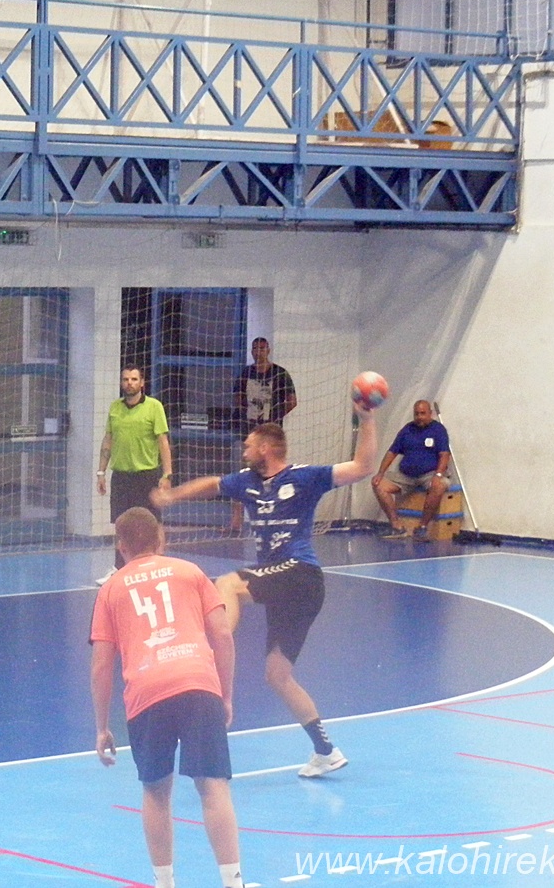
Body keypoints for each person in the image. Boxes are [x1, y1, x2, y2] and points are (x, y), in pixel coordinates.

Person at [151, 396, 378, 778]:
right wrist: (172, 496)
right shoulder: (247, 482)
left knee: (229, 583)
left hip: (301, 573)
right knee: (277, 675)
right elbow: (212, 485)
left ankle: (211, 650)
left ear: (267, 448)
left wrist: (367, 419)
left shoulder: (303, 478)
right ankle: (326, 750)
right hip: (284, 584)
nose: (243, 451)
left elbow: (362, 467)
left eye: (249, 445)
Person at [90, 507, 244, 888]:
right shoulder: (190, 572)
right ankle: (233, 881)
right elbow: (223, 635)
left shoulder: (110, 589)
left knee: (156, 792)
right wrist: (224, 695)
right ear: (161, 538)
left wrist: (101, 727)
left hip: (147, 693)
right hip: (198, 683)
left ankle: (164, 882)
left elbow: (101, 665)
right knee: (213, 785)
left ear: (121, 547)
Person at [96, 366, 173, 569]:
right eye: (126, 379)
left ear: (142, 382)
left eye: (134, 379)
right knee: (121, 523)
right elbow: (108, 440)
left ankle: (158, 565)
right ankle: (119, 568)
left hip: (147, 475)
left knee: (154, 521)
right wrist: (101, 472)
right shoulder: (115, 408)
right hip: (121, 476)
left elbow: (163, 442)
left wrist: (167, 474)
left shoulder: (154, 406)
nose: (129, 383)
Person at [229, 337, 296, 532]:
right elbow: (238, 399)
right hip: (248, 432)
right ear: (251, 351)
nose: (258, 352)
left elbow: (292, 401)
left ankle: (276, 517)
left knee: (273, 475)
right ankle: (236, 521)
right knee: (241, 474)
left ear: (268, 350)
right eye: (255, 348)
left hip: (270, 435)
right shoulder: (245, 373)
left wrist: (274, 418)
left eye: (262, 348)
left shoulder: (280, 373)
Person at [372, 399, 451, 542]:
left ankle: (422, 527)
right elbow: (392, 452)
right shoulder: (407, 430)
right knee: (378, 484)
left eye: (423, 413)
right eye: (417, 414)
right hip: (406, 476)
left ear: (430, 413)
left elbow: (444, 455)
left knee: (439, 485)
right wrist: (381, 472)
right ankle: (397, 526)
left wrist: (438, 474)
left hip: (429, 475)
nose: (419, 417)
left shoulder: (438, 430)